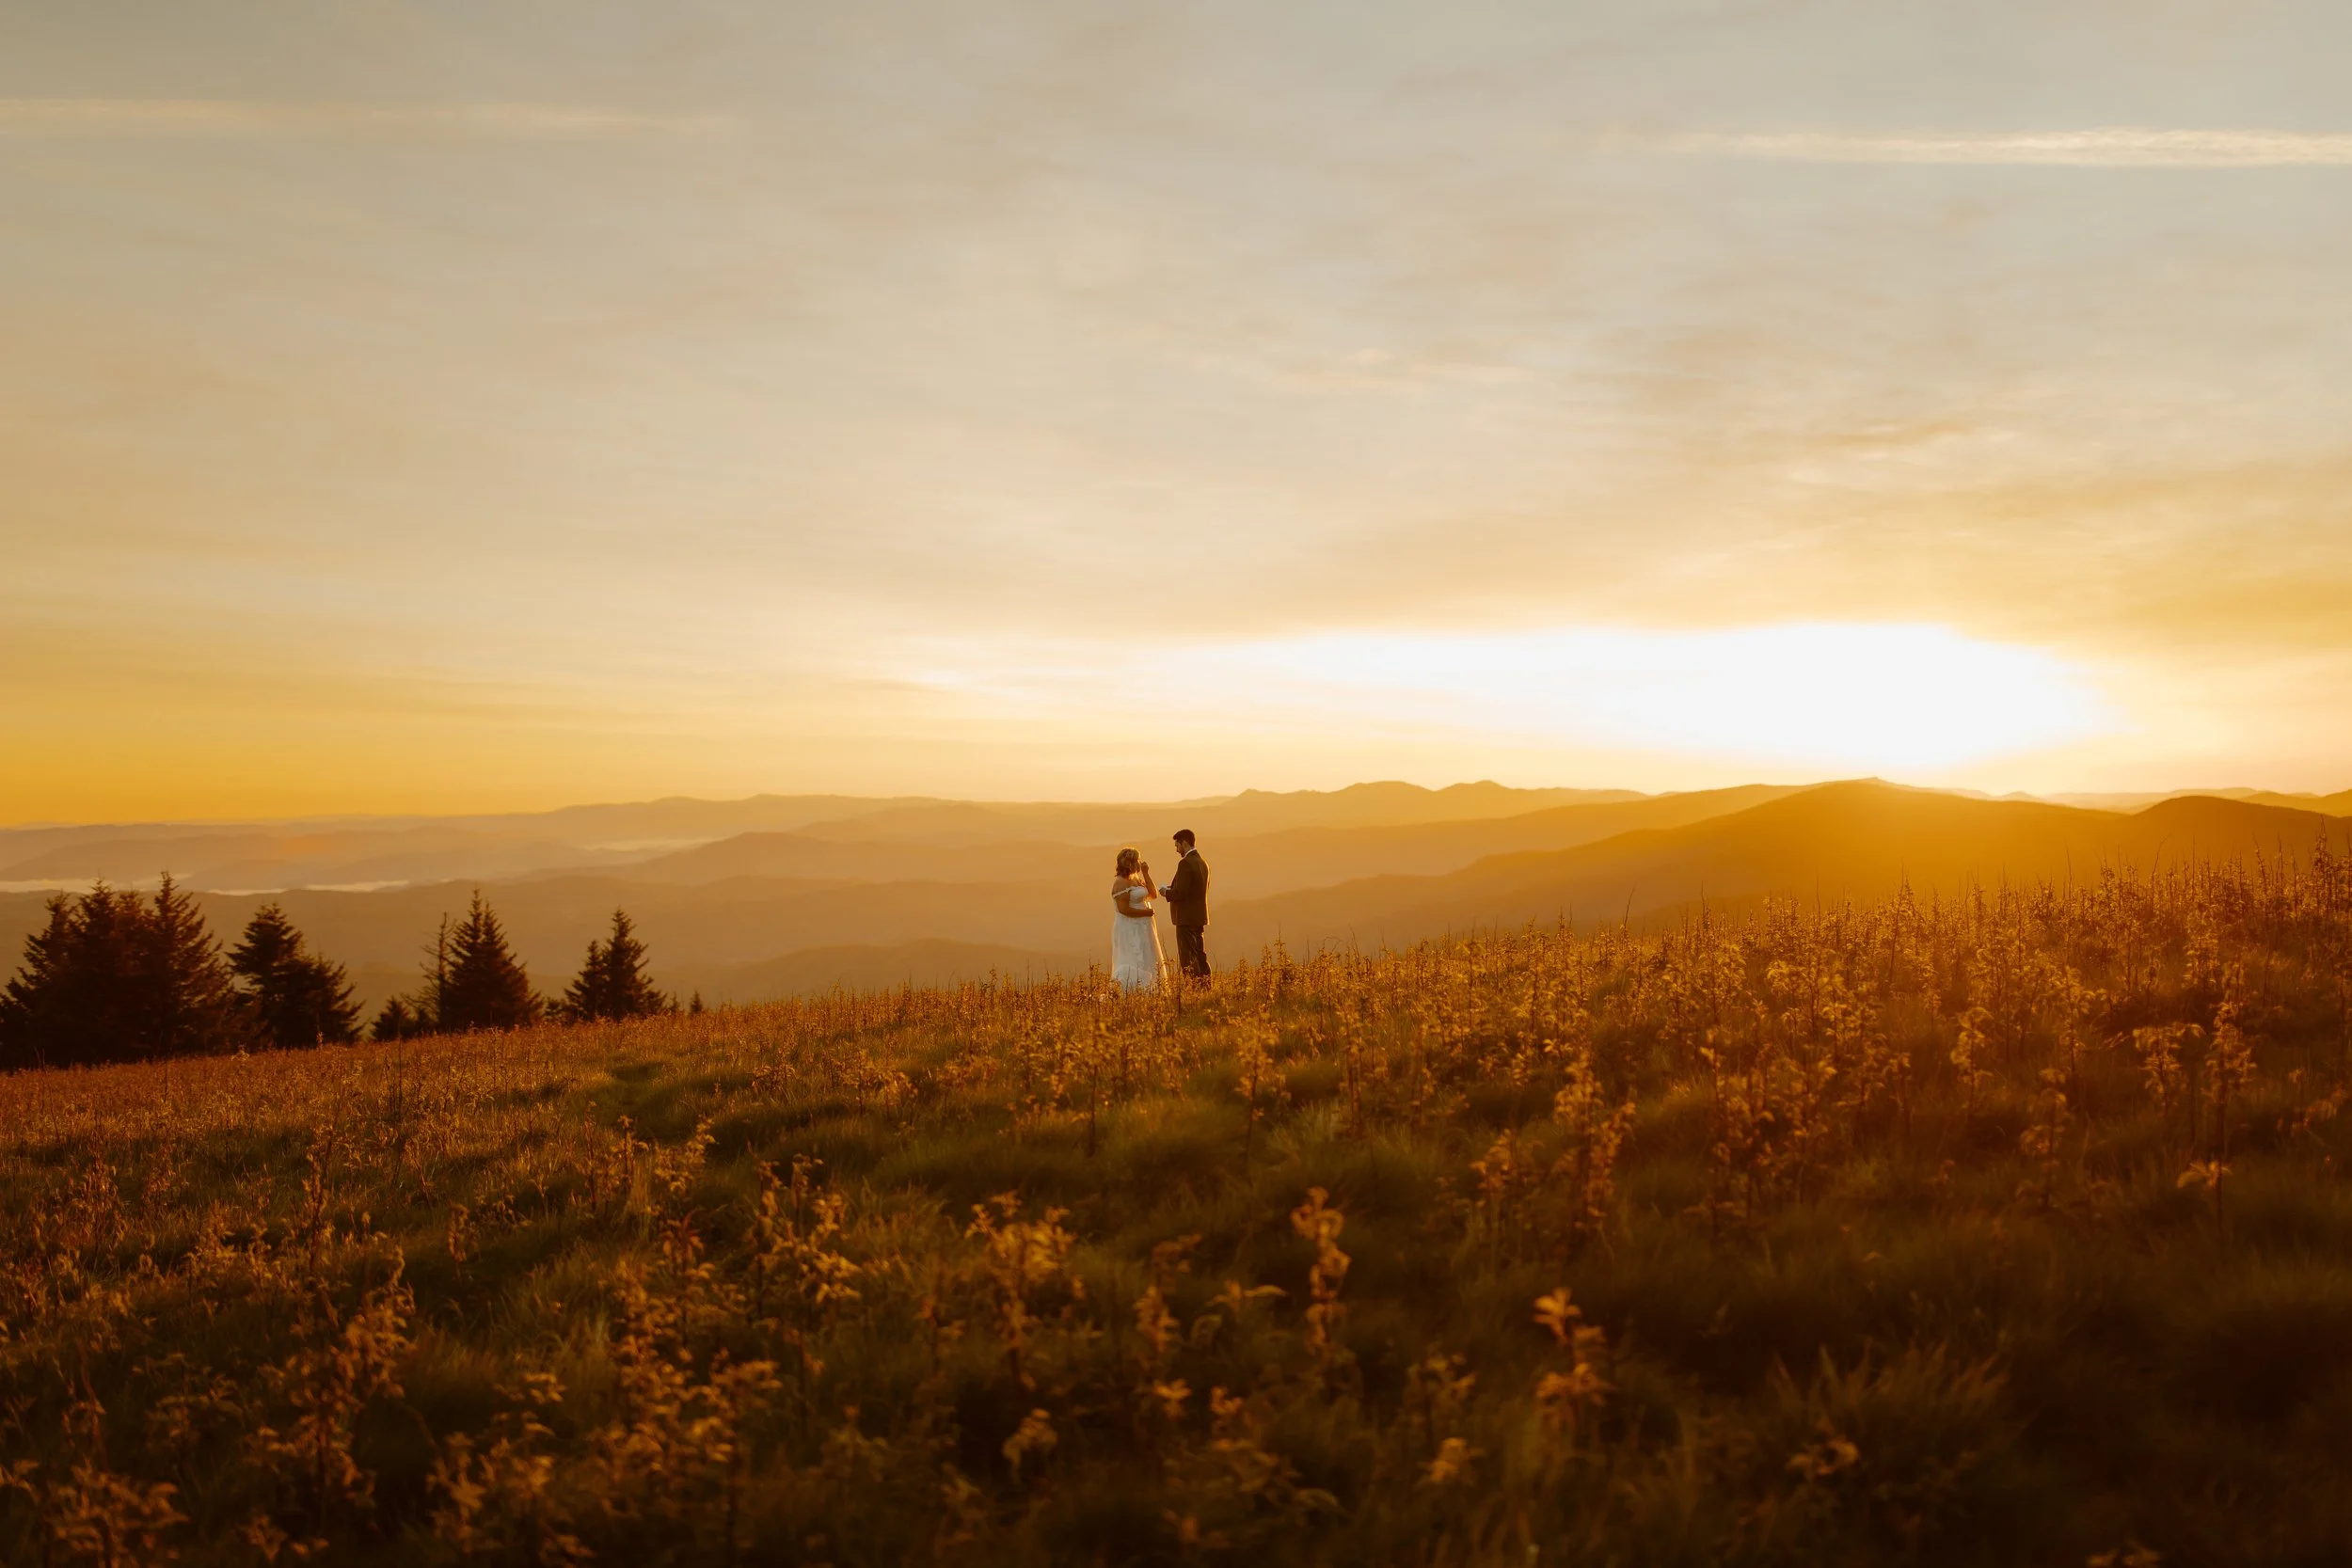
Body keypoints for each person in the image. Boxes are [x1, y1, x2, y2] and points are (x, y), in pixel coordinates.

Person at [1108, 847, 1167, 991]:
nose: (1140, 863)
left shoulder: (1136, 880)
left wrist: (1146, 873)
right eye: (1138, 860)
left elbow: (1153, 894)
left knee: (1147, 954)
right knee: (1135, 955)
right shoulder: (1120, 883)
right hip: (1130, 926)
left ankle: (1152, 988)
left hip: (1143, 926)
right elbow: (1124, 910)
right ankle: (1134, 990)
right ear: (1131, 863)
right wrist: (1145, 913)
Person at [1162, 828, 1210, 983]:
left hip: (1186, 918)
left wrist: (1165, 892)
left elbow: (1180, 893)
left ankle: (1194, 987)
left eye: (1177, 845)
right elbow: (1193, 889)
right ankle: (1205, 985)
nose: (1177, 849)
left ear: (1184, 843)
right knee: (1200, 954)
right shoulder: (1203, 863)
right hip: (1199, 917)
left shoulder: (1185, 863)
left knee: (1187, 957)